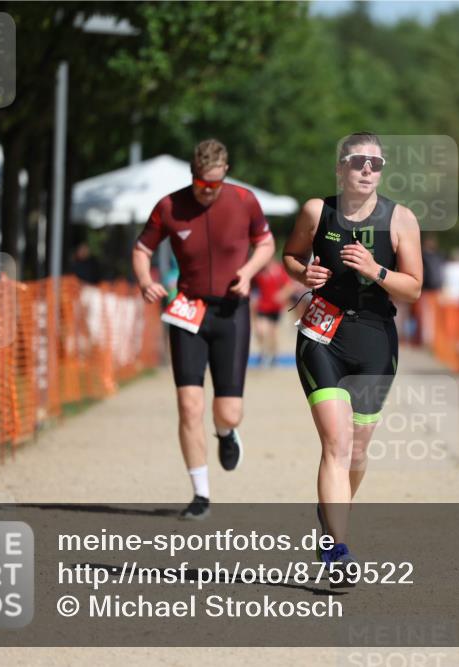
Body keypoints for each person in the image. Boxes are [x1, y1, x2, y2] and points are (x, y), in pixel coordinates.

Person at [282, 132, 422, 584]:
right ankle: (338, 552)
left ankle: (331, 512)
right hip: (323, 334)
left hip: (376, 339)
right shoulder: (316, 211)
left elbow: (415, 287)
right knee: (337, 445)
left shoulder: (400, 219)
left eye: (375, 164)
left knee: (357, 451)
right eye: (358, 162)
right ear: (341, 168)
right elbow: (290, 255)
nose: (367, 170)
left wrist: (376, 270)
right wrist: (305, 271)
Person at [132, 138, 275, 519]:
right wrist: (146, 280)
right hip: (188, 311)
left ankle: (226, 434)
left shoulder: (244, 201)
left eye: (213, 185)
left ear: (225, 173)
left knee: (228, 411)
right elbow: (142, 248)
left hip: (231, 312)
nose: (207, 192)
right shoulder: (169, 206)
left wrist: (247, 272)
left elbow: (266, 244)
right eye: (200, 184)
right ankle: (200, 494)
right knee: (189, 405)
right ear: (192, 176)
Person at [251, 258, 294, 366]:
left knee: (272, 334)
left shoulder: (279, 270)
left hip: (276, 308)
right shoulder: (258, 272)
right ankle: (263, 352)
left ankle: (273, 355)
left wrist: (282, 295)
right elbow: (253, 288)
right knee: (260, 330)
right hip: (262, 307)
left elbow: (289, 286)